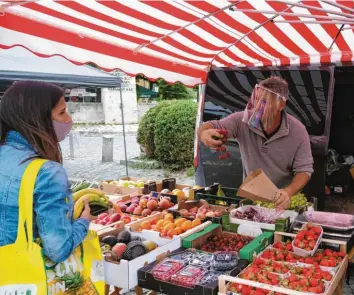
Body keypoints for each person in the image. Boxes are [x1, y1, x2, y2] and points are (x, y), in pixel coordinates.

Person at [0, 81, 93, 263]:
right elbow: (57, 249)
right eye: (61, 112)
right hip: (23, 277)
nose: (68, 119)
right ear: (36, 117)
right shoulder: (47, 173)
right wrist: (83, 222)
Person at [198, 76, 314, 209]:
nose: (258, 107)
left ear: (281, 104)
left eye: (265, 102)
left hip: (283, 201)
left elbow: (304, 170)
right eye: (257, 99)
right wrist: (204, 133)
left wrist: (288, 192)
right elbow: (211, 125)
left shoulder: (298, 131)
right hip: (252, 198)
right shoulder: (241, 120)